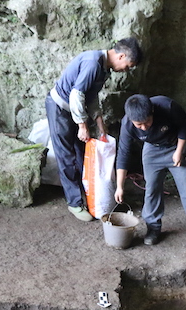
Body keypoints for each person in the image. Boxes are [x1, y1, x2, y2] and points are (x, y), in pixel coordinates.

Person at [46, 38, 143, 222]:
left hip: (74, 109)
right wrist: (82, 125)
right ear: (121, 56)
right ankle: (74, 203)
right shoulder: (92, 63)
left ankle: (89, 194)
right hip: (60, 107)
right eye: (128, 66)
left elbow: (91, 96)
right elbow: (76, 95)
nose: (126, 71)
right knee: (66, 155)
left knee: (82, 151)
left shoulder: (103, 67)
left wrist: (99, 122)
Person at [114, 94, 186, 244]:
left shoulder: (168, 106)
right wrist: (119, 186)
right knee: (152, 188)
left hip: (176, 144)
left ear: (153, 112)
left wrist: (179, 151)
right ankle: (153, 227)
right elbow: (123, 154)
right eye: (139, 125)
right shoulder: (127, 125)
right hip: (153, 149)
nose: (144, 127)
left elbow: (184, 126)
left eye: (147, 122)